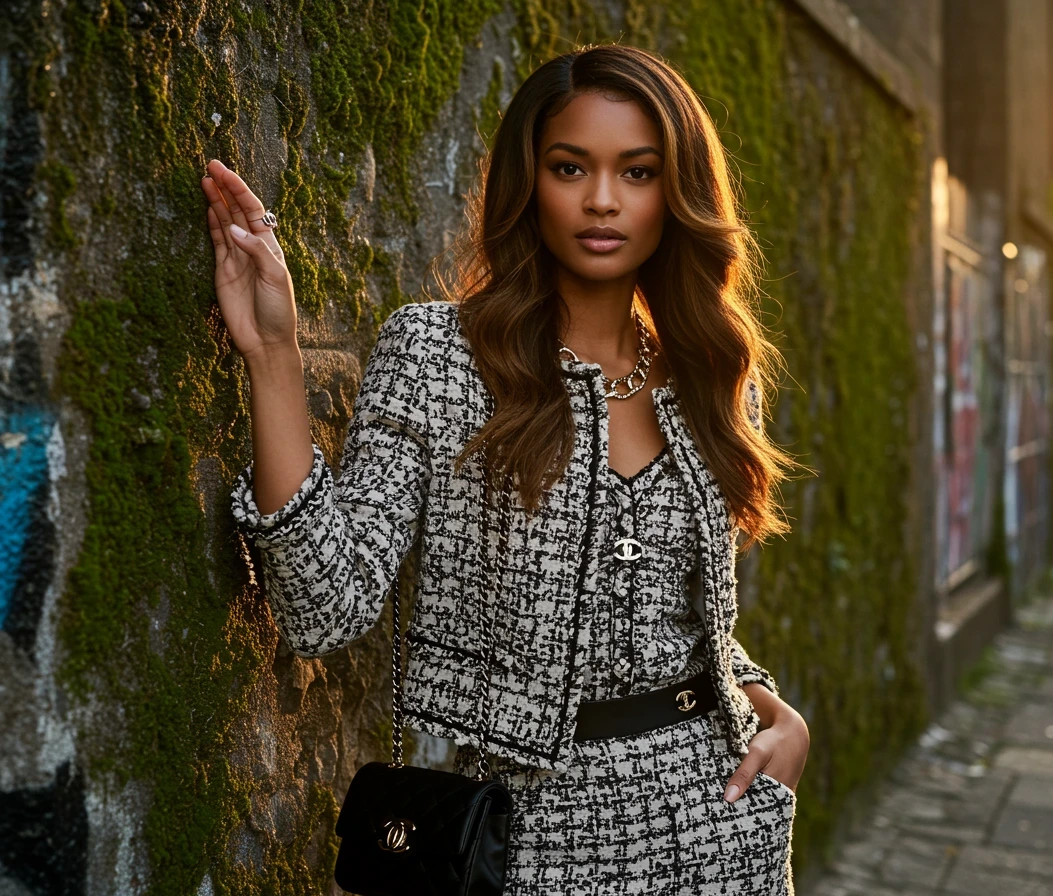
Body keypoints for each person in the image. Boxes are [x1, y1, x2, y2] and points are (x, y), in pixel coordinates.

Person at [207, 43, 809, 894]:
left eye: (638, 173)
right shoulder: (438, 358)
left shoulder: (713, 379)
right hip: (529, 837)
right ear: (530, 182)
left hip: (723, 817)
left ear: (678, 196)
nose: (603, 200)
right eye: (572, 167)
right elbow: (325, 607)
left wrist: (769, 706)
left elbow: (677, 623)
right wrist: (273, 353)